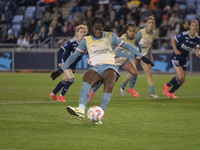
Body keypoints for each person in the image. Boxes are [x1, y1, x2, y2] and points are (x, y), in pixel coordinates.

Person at [50, 17, 154, 124]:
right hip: (95, 67)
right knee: (86, 77)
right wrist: (61, 69)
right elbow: (74, 56)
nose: (98, 31)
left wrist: (142, 56)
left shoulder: (110, 36)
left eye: (100, 29)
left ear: (103, 28)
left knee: (109, 78)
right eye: (95, 29)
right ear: (92, 28)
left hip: (110, 66)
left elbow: (127, 45)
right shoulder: (86, 40)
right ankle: (80, 109)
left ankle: (99, 114)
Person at [88, 22, 141, 101]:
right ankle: (92, 92)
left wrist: (139, 51)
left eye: (133, 31)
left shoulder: (135, 37)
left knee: (134, 72)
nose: (132, 33)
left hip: (124, 60)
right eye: (130, 31)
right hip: (115, 60)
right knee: (104, 79)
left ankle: (130, 89)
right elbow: (118, 52)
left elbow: (137, 44)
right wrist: (132, 55)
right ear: (126, 31)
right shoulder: (123, 38)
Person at [120, 16, 159, 98]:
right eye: (149, 22)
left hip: (144, 55)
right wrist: (142, 45)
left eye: (152, 23)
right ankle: (123, 86)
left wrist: (150, 53)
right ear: (146, 24)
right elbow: (133, 42)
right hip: (135, 54)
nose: (151, 24)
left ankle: (152, 93)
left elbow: (150, 44)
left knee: (149, 73)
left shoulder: (154, 33)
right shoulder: (140, 33)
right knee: (133, 72)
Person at [49, 24, 88, 102]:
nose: (83, 34)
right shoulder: (72, 42)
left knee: (64, 80)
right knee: (71, 79)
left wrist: (88, 58)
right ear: (77, 33)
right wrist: (60, 62)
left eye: (84, 32)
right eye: (81, 32)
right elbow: (60, 51)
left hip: (73, 64)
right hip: (66, 63)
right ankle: (61, 96)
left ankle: (53, 94)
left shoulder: (85, 44)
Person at [163, 19, 200, 98]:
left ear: (198, 27)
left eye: (196, 25)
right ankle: (167, 85)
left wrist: (198, 54)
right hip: (175, 57)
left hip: (183, 59)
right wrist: (175, 50)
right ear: (190, 27)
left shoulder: (198, 39)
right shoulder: (184, 34)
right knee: (180, 76)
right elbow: (173, 40)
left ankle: (170, 92)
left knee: (182, 80)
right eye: (192, 25)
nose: (194, 27)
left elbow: (197, 51)